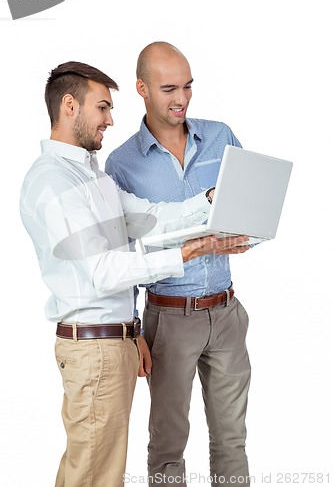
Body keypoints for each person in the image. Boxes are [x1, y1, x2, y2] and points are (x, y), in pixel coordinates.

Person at [19, 61, 249, 487]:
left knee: (102, 472)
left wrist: (213, 198)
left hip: (114, 341)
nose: (110, 119)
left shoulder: (89, 175)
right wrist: (185, 254)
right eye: (103, 107)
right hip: (94, 350)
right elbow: (102, 272)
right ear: (70, 106)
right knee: (94, 475)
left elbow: (151, 217)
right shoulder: (54, 183)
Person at [105, 42, 252, 487]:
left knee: (232, 440)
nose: (182, 99)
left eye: (188, 86)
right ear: (141, 89)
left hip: (226, 313)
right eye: (169, 88)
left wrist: (244, 238)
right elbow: (122, 256)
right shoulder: (121, 164)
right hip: (168, 318)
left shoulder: (221, 136)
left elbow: (249, 210)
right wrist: (133, 330)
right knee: (168, 446)